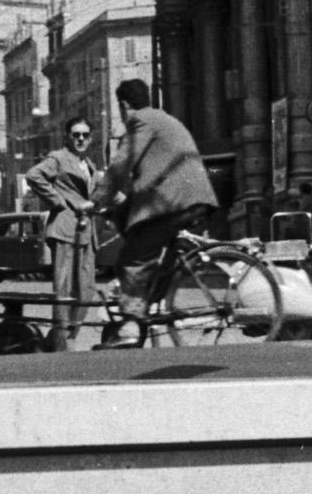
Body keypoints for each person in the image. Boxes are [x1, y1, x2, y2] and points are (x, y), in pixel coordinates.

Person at [98, 76, 219, 346]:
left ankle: (130, 325)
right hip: (193, 198)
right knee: (156, 259)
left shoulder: (141, 120)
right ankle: (147, 310)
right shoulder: (165, 119)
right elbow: (148, 171)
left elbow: (121, 166)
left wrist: (96, 201)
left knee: (133, 258)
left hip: (172, 202)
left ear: (124, 105)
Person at [23, 113, 99, 351]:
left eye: (85, 135)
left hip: (86, 233)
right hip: (65, 230)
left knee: (86, 289)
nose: (80, 139)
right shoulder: (58, 158)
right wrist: (59, 202)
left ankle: (63, 336)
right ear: (67, 137)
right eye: (76, 135)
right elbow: (33, 175)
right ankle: (62, 343)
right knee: (64, 290)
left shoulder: (89, 165)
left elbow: (94, 195)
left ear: (91, 138)